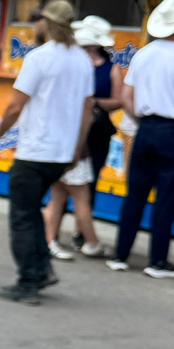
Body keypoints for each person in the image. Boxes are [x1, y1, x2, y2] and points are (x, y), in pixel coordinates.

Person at [0, 0, 95, 304]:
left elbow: (14, 107)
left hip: (35, 152)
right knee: (32, 212)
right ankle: (42, 268)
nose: (35, 24)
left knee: (22, 217)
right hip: (62, 154)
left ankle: (28, 282)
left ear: (47, 23)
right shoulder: (82, 60)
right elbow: (87, 111)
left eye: (38, 19)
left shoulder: (39, 58)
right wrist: (76, 148)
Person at [109, 0, 174, 278]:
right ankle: (157, 261)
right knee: (167, 198)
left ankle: (120, 255)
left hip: (146, 129)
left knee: (135, 195)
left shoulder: (144, 53)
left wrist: (142, 119)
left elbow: (126, 96)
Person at [43, 15, 121, 261]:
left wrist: (94, 104)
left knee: (67, 191)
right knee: (75, 193)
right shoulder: (75, 68)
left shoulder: (103, 68)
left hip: (87, 137)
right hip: (75, 138)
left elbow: (117, 101)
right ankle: (87, 241)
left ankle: (59, 239)